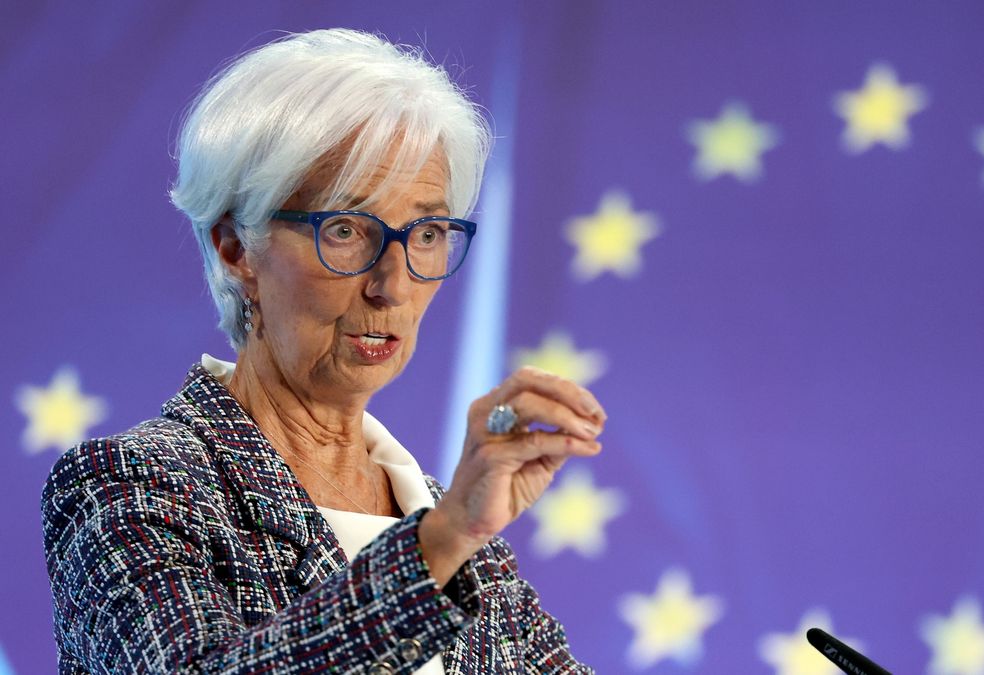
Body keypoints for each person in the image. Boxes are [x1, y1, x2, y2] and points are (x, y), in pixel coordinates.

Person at [41, 29, 605, 674]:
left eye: (426, 232)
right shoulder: (130, 485)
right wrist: (444, 540)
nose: (392, 285)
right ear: (236, 248)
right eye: (345, 229)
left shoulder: (451, 527)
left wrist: (453, 535)